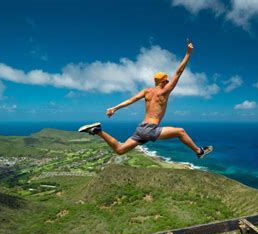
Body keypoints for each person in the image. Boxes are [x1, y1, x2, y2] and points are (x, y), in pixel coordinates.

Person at [78, 40, 213, 159]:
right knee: (180, 131)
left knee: (120, 150)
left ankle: (97, 131)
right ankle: (198, 151)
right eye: (166, 79)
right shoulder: (164, 91)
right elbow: (179, 72)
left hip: (141, 128)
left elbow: (131, 100)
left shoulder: (147, 91)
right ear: (164, 80)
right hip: (150, 129)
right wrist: (188, 53)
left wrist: (114, 108)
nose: (168, 81)